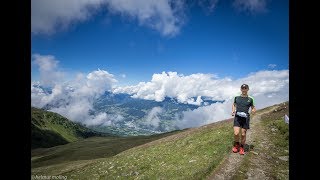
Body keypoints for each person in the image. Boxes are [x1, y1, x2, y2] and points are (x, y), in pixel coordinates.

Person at [231, 84, 256, 155]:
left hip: (245, 118)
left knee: (243, 134)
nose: (244, 89)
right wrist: (233, 111)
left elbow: (253, 107)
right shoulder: (236, 97)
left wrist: (253, 110)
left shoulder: (251, 98)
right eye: (243, 88)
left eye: (245, 88)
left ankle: (242, 147)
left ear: (248, 89)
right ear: (241, 89)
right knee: (236, 133)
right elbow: (234, 104)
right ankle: (236, 145)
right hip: (237, 117)